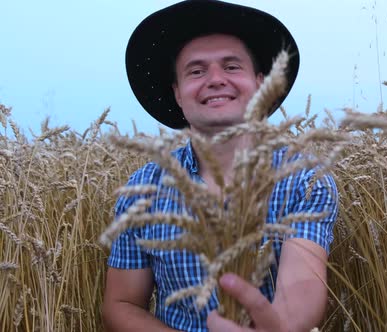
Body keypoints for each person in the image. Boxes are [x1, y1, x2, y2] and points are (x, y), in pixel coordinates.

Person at [101, 1, 339, 331]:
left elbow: (299, 292)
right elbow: (122, 303)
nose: (215, 80)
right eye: (196, 71)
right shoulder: (144, 188)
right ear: (178, 94)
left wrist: (277, 326)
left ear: (260, 83)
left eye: (231, 67)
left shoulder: (304, 179)